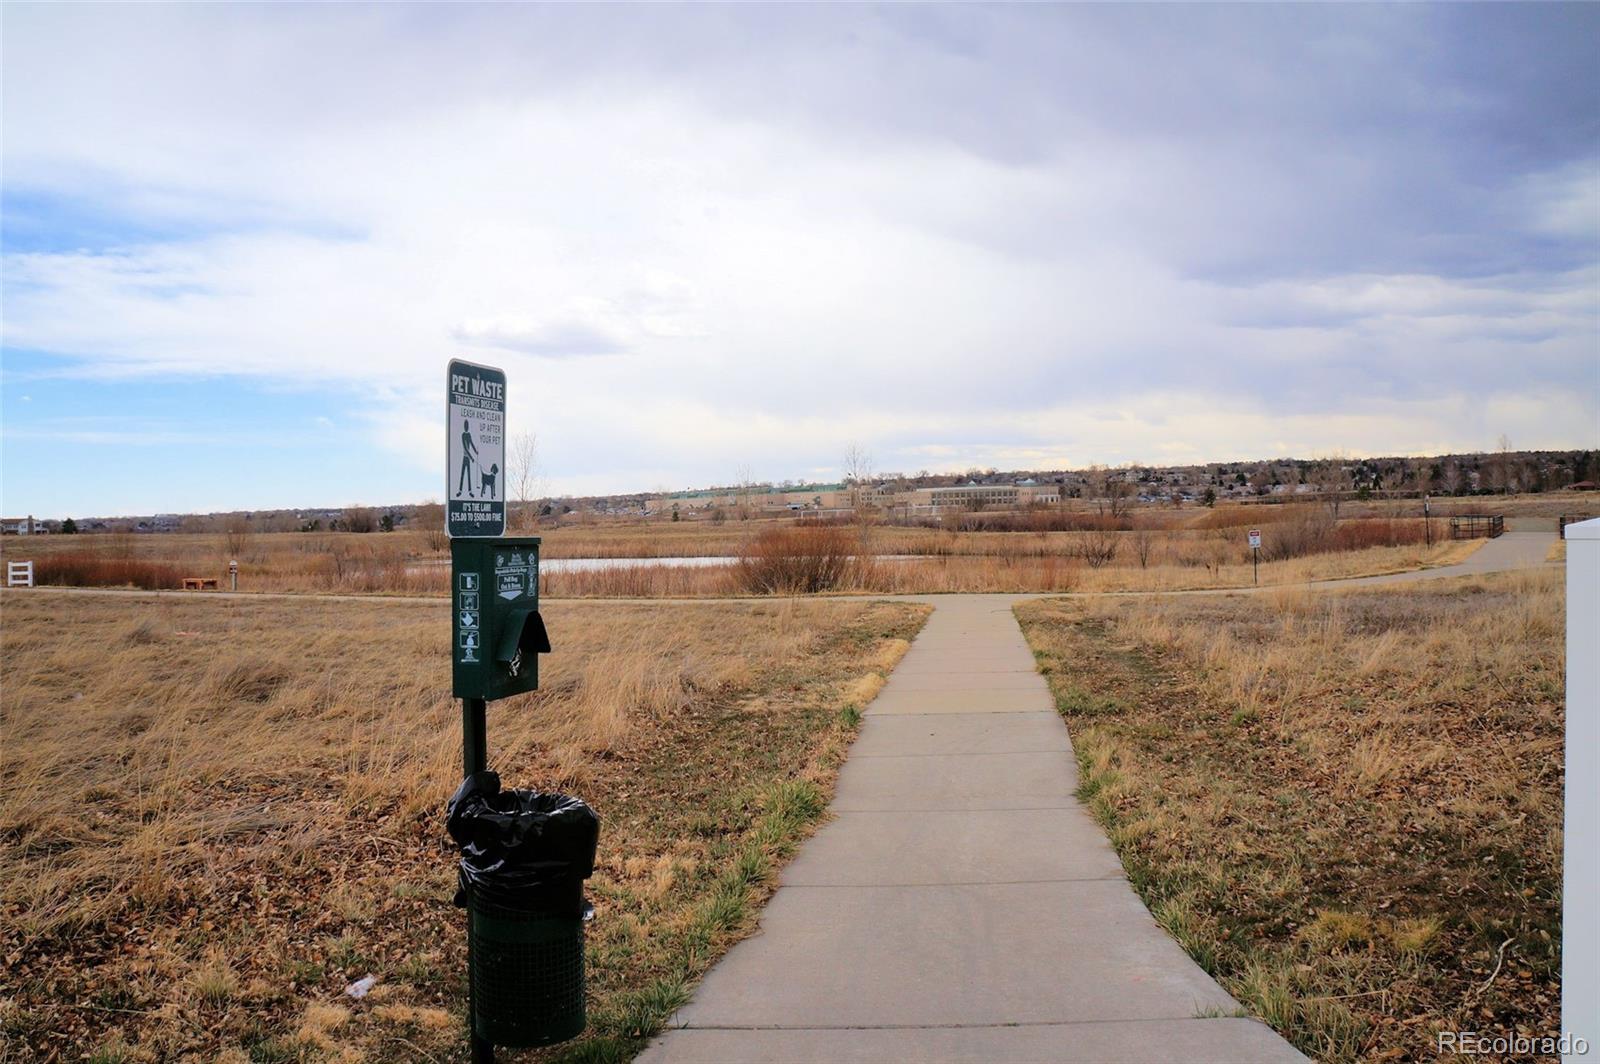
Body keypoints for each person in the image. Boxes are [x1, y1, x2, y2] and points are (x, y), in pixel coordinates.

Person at [457, 419, 479, 497]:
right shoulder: (463, 435)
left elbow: (471, 443)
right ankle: (460, 491)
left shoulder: (469, 435)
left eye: (467, 426)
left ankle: (470, 491)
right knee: (462, 474)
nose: (466, 427)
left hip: (468, 458)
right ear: (464, 427)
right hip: (465, 457)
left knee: (469, 475)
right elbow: (465, 448)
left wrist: (475, 451)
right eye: (465, 426)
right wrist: (471, 457)